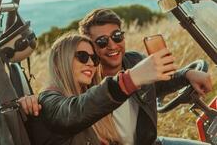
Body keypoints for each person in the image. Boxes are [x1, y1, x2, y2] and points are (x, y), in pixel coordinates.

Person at [77, 8, 212, 145]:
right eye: (102, 41)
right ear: (90, 48)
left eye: (117, 36)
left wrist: (187, 74)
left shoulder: (135, 60)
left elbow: (156, 85)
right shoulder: (85, 83)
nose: (112, 45)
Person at [22, 32, 179, 145]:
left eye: (94, 58)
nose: (90, 63)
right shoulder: (47, 102)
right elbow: (74, 112)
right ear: (59, 61)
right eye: (82, 56)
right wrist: (132, 78)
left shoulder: (86, 99)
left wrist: (187, 75)